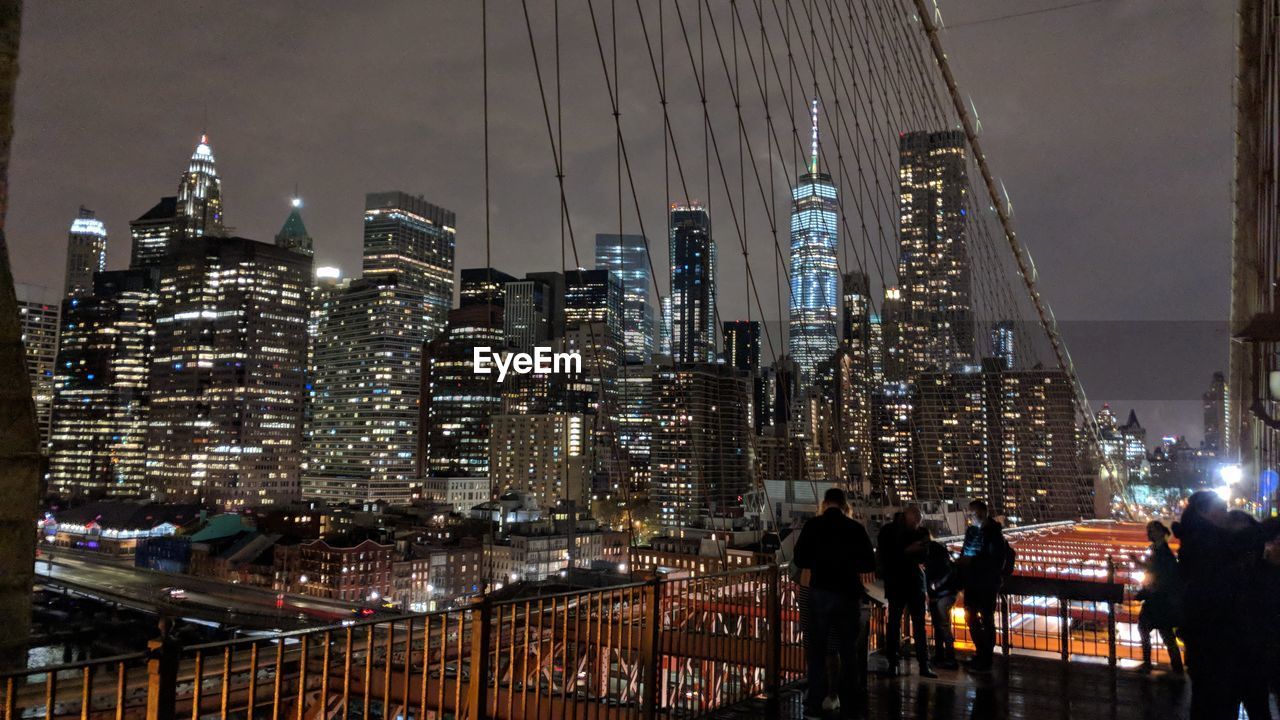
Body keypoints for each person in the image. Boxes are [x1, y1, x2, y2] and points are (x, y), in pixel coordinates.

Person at [793, 487, 877, 719]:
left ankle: (814, 705)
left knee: (817, 650)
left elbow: (799, 558)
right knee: (847, 649)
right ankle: (851, 702)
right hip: (847, 595)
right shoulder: (855, 528)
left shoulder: (813, 526)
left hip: (820, 594)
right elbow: (869, 563)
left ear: (824, 503)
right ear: (844, 505)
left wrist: (819, 562)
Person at [878, 505, 934, 678]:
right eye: (916, 521)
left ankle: (908, 664)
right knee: (905, 624)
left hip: (902, 583)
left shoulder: (892, 531)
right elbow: (888, 556)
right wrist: (908, 551)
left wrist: (906, 552)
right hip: (905, 582)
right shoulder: (891, 531)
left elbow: (923, 555)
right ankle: (914, 664)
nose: (917, 524)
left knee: (902, 624)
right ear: (909, 517)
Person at [957, 499, 1006, 673]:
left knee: (986, 618)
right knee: (971, 616)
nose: (970, 518)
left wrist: (972, 561)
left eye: (972, 514)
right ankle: (981, 653)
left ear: (983, 513)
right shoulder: (972, 532)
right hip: (972, 582)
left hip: (986, 583)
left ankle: (986, 658)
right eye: (969, 514)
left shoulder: (994, 533)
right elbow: (966, 551)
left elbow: (995, 560)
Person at [1134, 520, 1183, 674]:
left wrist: (1145, 591)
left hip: (1158, 599)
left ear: (1161, 532)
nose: (1148, 532)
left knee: (1156, 631)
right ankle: (1176, 669)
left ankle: (1152, 664)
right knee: (1164, 633)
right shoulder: (1159, 550)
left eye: (1151, 530)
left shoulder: (1162, 553)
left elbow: (1159, 574)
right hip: (1159, 599)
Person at [924, 531, 959, 670]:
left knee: (942, 625)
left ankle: (948, 657)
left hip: (941, 594)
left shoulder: (932, 552)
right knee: (941, 625)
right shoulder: (939, 549)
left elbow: (941, 572)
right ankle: (943, 656)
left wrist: (935, 586)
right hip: (945, 593)